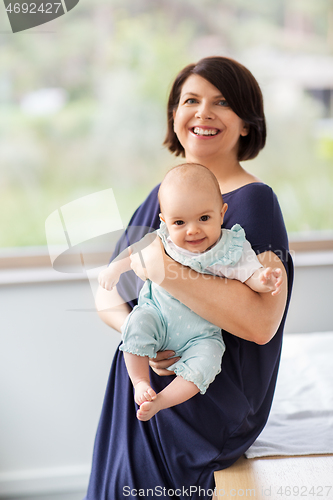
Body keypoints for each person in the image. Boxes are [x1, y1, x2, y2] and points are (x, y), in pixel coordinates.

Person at [84, 56, 293, 500]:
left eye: (221, 102)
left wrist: (170, 273)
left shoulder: (255, 203)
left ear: (246, 124)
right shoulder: (159, 201)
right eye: (190, 100)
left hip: (199, 415)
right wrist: (143, 338)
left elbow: (261, 324)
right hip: (139, 395)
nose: (202, 112)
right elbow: (107, 295)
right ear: (174, 118)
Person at [98, 163, 283, 422]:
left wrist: (265, 279)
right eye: (179, 222)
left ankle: (162, 400)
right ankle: (139, 381)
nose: (192, 230)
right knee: (138, 322)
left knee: (208, 360)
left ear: (222, 213)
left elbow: (249, 274)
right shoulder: (161, 239)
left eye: (204, 219)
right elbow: (132, 252)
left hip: (201, 333)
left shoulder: (230, 248)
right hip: (158, 317)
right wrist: (113, 270)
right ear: (164, 222)